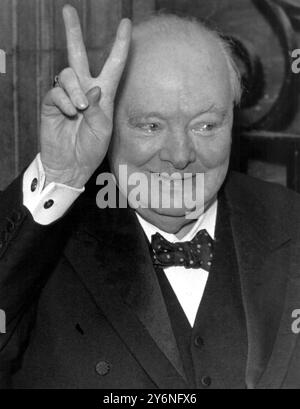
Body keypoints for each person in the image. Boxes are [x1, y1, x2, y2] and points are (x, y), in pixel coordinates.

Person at [0, 4, 300, 389]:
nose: (179, 155)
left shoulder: (289, 220)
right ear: (107, 125)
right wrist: (61, 177)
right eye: (151, 125)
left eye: (206, 125)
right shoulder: (48, 239)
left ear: (233, 121)